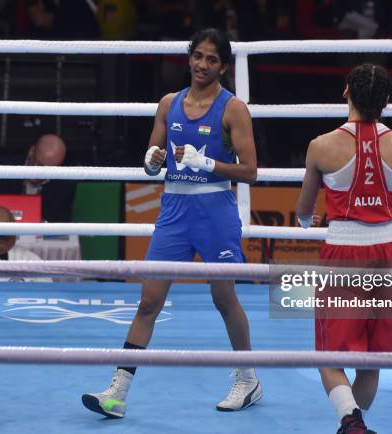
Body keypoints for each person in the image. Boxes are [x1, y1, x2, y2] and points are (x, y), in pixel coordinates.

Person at [82, 28, 262, 418]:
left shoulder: (233, 109)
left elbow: (250, 171)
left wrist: (210, 164)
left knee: (223, 297)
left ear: (223, 67)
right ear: (189, 57)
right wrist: (151, 162)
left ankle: (248, 379)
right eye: (198, 56)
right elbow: (154, 157)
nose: (202, 64)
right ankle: (117, 391)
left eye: (212, 59)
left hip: (215, 211)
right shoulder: (168, 103)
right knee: (149, 300)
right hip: (175, 212)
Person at [295, 64, 392, 434]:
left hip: (342, 252)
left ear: (346, 93)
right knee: (371, 360)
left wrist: (314, 221)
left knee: (329, 357)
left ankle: (350, 423)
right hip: (388, 252)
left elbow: (303, 213)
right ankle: (353, 423)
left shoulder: (321, 146)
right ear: (387, 101)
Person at [0, 134, 76, 223]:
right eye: (37, 164)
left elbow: (61, 223)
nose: (38, 173)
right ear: (31, 151)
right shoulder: (0, 169)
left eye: (47, 169)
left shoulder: (65, 184)